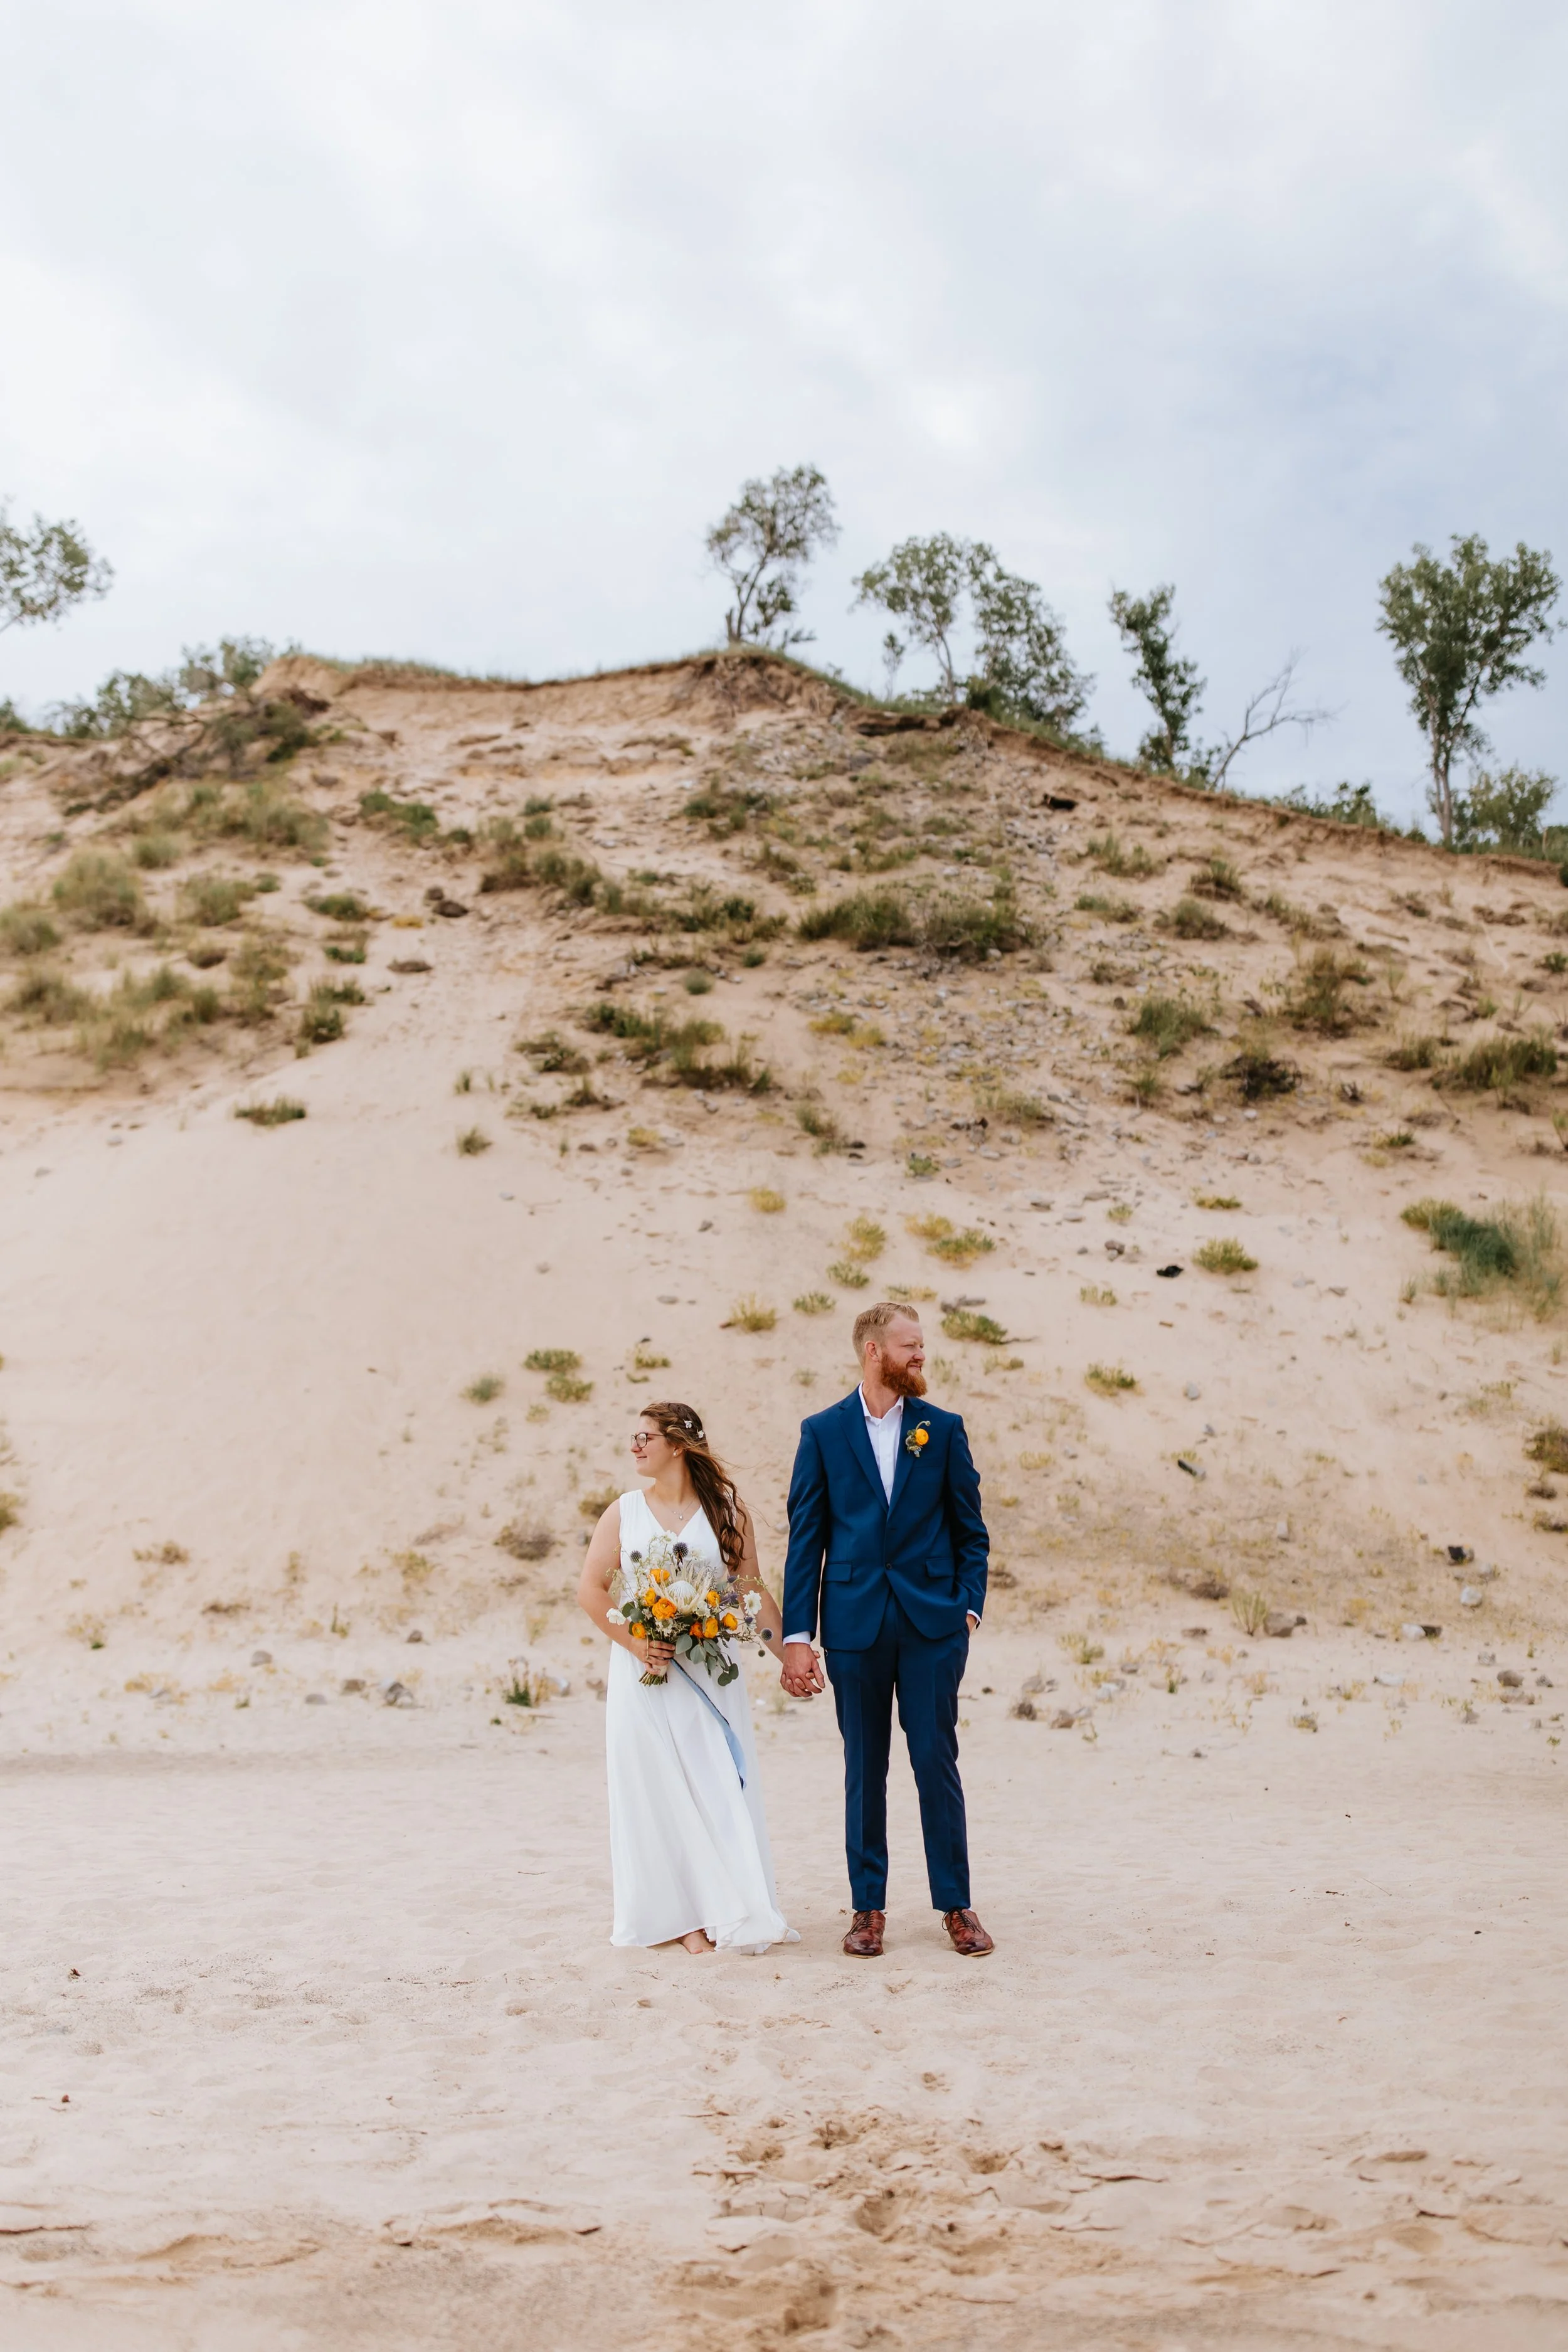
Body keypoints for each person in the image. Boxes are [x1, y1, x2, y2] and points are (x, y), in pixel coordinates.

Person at [780, 1303, 993, 1959]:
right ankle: (867, 1910)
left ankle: (955, 1906)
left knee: (936, 1762)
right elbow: (806, 1539)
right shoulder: (822, 1432)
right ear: (873, 1351)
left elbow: (971, 1533)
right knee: (863, 1768)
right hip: (853, 1625)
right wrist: (796, 1635)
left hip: (932, 1625)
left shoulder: (943, 1428)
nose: (920, 1356)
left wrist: (966, 1607)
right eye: (910, 1346)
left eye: (922, 1346)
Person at [578, 1401, 797, 1955]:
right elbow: (592, 1590)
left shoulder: (726, 1512)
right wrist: (634, 1640)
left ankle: (726, 1907)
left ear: (677, 1445)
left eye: (645, 1437)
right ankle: (676, 1918)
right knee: (654, 1791)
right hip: (644, 1672)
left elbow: (748, 1592)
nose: (635, 1447)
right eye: (634, 1436)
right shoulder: (623, 1512)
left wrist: (791, 1654)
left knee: (715, 1784)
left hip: (710, 1673)